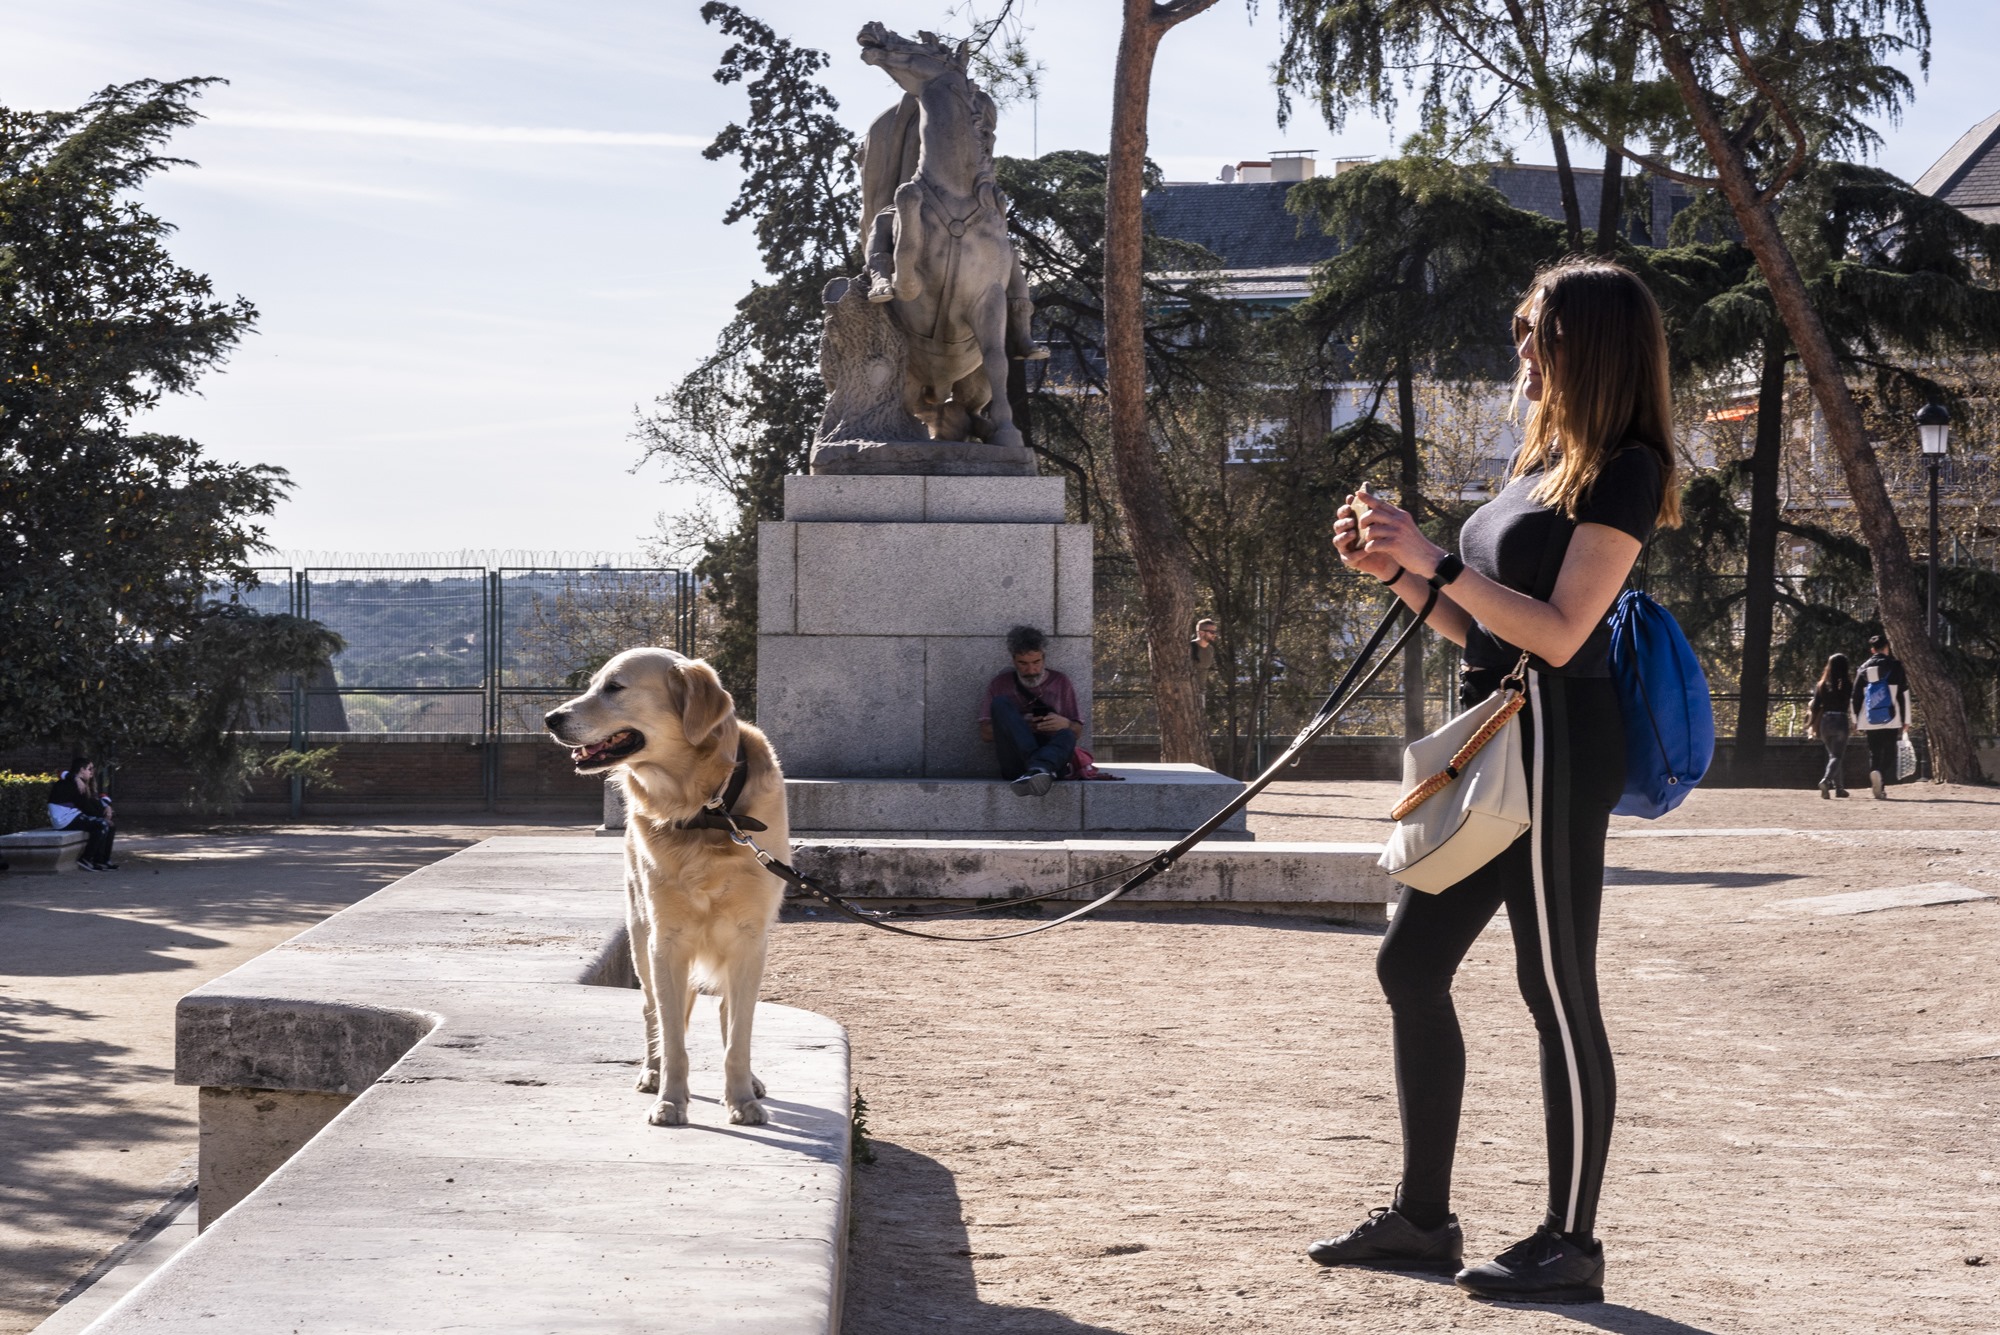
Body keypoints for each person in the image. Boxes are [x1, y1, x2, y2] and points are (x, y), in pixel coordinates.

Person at [1314, 258, 1680, 1305]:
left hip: (1563, 744)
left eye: (1536, 335)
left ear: (1587, 347)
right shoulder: (1543, 466)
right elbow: (1475, 624)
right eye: (1522, 331)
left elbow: (1562, 634)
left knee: (1554, 991)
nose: (1520, 350)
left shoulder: (1625, 469)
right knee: (1408, 966)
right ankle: (1422, 1222)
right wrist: (1394, 569)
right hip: (1495, 736)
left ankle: (1570, 1240)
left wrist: (1432, 560)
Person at [979, 625, 1085, 796]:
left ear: (1044, 658)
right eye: (1023, 663)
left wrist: (1064, 723)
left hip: (1052, 758)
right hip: (1016, 761)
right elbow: (985, 733)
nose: (1031, 670)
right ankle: (1037, 768)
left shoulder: (1060, 682)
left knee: (1067, 734)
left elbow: (1078, 731)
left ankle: (1039, 768)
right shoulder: (1000, 683)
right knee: (1001, 703)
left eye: (1036, 662)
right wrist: (1023, 725)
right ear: (1013, 660)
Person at [1851, 632, 1910, 799]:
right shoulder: (1896, 666)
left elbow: (1855, 696)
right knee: (1890, 753)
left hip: (1870, 719)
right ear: (1887, 648)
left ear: (1872, 650)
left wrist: (1855, 719)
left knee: (1874, 752)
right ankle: (1881, 777)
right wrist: (1906, 720)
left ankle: (1876, 775)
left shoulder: (1863, 669)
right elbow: (1903, 694)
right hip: (1892, 717)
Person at [48, 758, 117, 871]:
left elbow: (92, 802)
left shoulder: (77, 782)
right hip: (64, 820)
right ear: (81, 770)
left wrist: (106, 807)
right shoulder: (75, 784)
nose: (92, 772)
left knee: (109, 825)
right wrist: (103, 816)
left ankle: (102, 860)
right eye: (89, 769)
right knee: (102, 824)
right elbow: (86, 807)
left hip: (71, 816)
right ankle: (86, 859)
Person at [1809, 654, 1854, 798]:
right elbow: (1851, 703)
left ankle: (1839, 789)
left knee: (1833, 756)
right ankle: (1826, 780)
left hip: (1825, 722)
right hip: (1840, 720)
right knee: (1837, 755)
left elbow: (1815, 706)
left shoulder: (1822, 684)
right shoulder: (1847, 684)